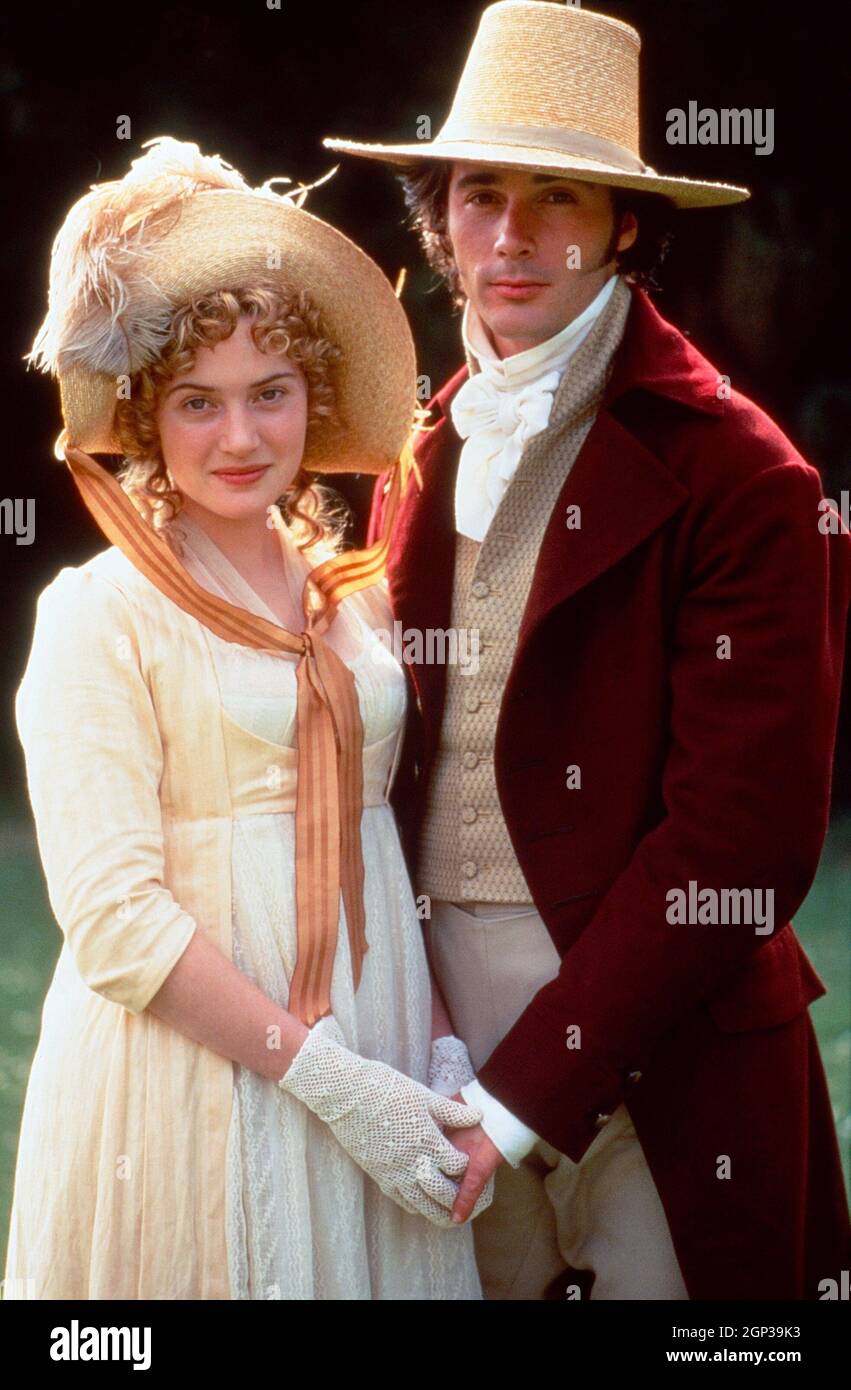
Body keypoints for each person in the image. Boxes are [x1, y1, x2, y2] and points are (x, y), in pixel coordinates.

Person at [323, 1, 851, 1299]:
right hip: (426, 1041)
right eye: (479, 193)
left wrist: (519, 1098)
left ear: (624, 223)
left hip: (663, 1047)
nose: (511, 237)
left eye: (557, 197)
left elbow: (741, 839)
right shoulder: (409, 441)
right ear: (437, 216)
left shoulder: (743, 473)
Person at [4, 136, 490, 1300]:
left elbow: (382, 843)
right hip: (194, 1077)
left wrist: (421, 1049)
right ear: (147, 412)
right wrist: (329, 1082)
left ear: (311, 395)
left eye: (270, 394)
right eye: (198, 402)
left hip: (371, 1036)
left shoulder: (354, 593)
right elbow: (116, 921)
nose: (240, 438)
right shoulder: (101, 614)